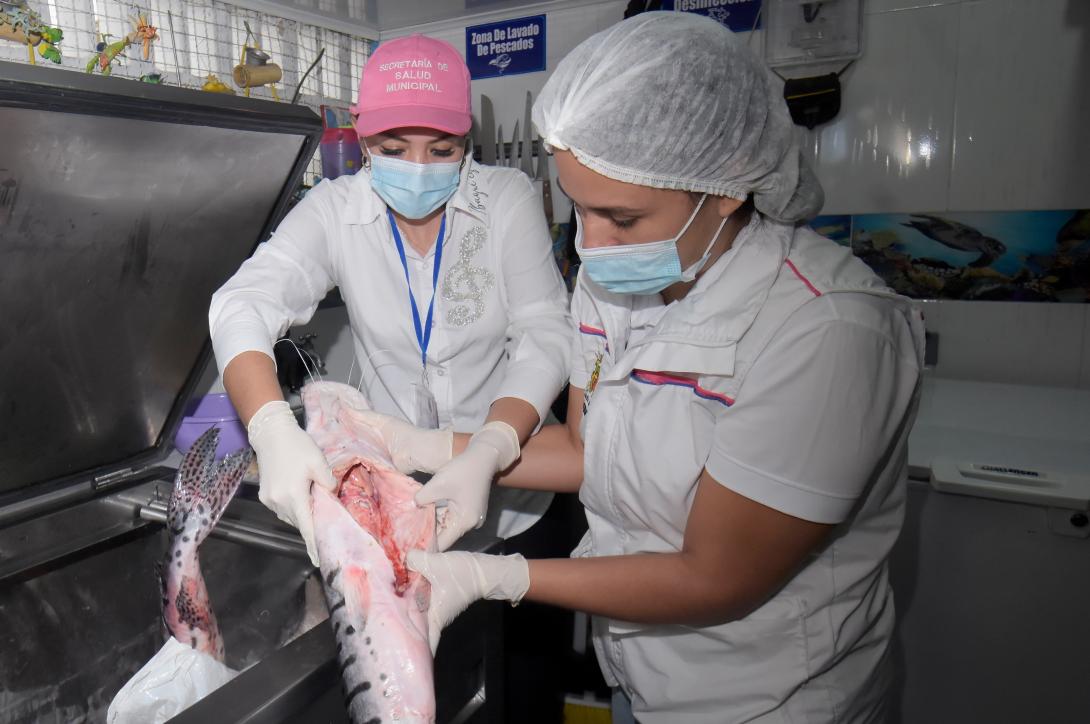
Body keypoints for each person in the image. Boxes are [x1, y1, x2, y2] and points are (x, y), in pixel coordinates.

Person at [368, 12, 925, 724]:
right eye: (579, 209)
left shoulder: (827, 332)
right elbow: (582, 448)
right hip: (644, 674)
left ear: (724, 189)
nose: (592, 245)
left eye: (622, 219)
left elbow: (713, 578)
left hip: (769, 700)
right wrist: (444, 448)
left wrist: (494, 575)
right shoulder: (614, 284)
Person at [208, 34, 570, 566]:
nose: (420, 168)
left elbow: (545, 331)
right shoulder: (335, 210)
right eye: (394, 150)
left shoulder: (505, 201)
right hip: (398, 498)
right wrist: (270, 428)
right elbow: (244, 301)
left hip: (516, 493)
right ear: (362, 139)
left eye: (442, 150)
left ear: (466, 141)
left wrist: (491, 445)